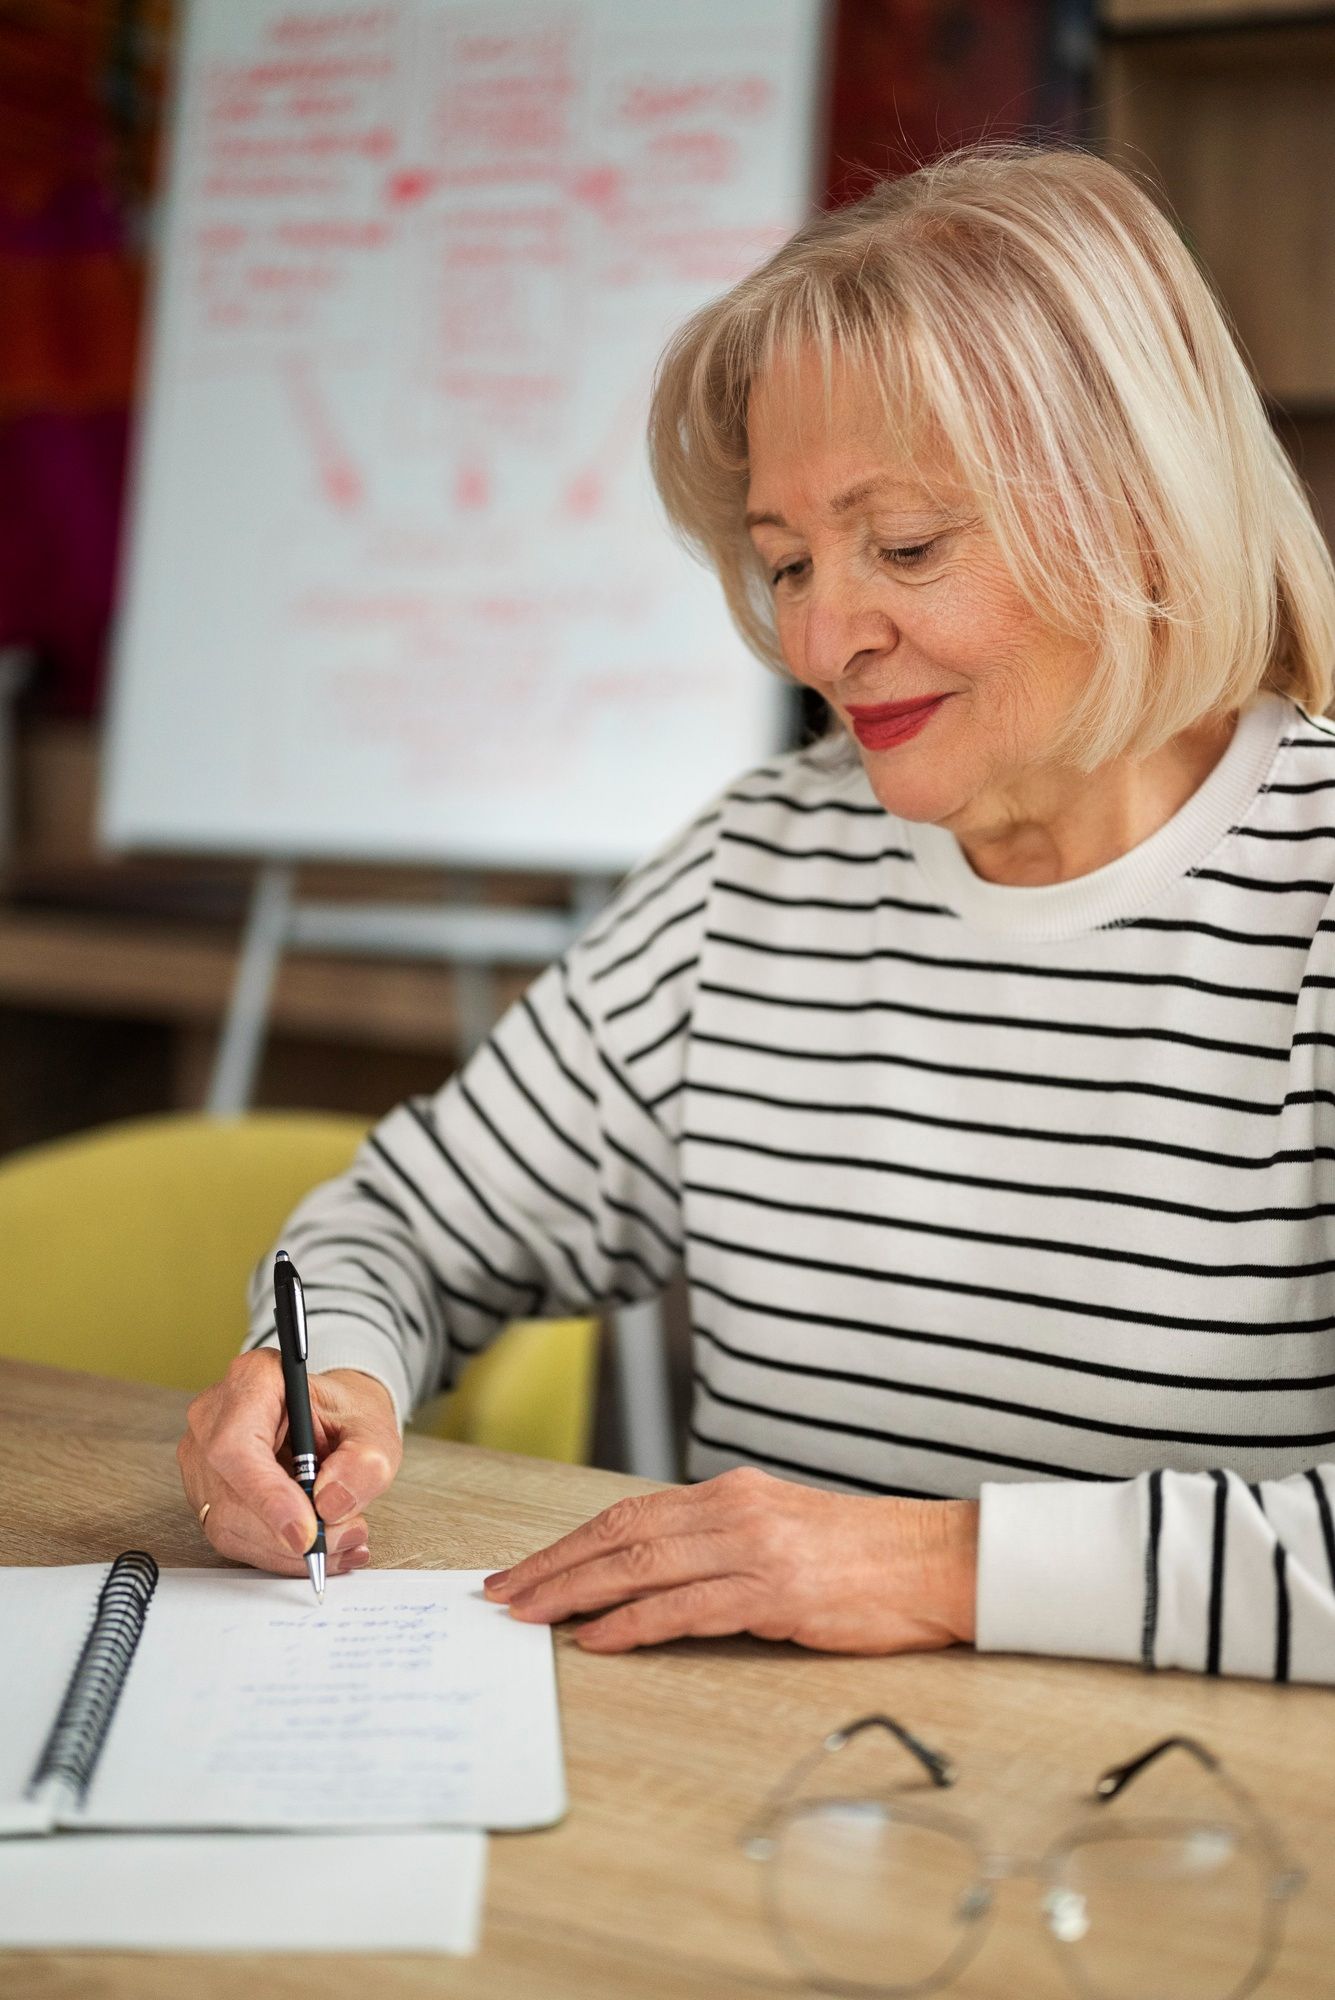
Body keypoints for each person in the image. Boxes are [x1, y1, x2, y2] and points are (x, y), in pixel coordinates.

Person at [179, 140, 1335, 1682]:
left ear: (1134, 507)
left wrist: (934, 1561)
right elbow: (402, 1228)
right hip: (765, 1825)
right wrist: (315, 1375)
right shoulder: (758, 874)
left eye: (904, 547)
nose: (825, 640)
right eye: (787, 563)